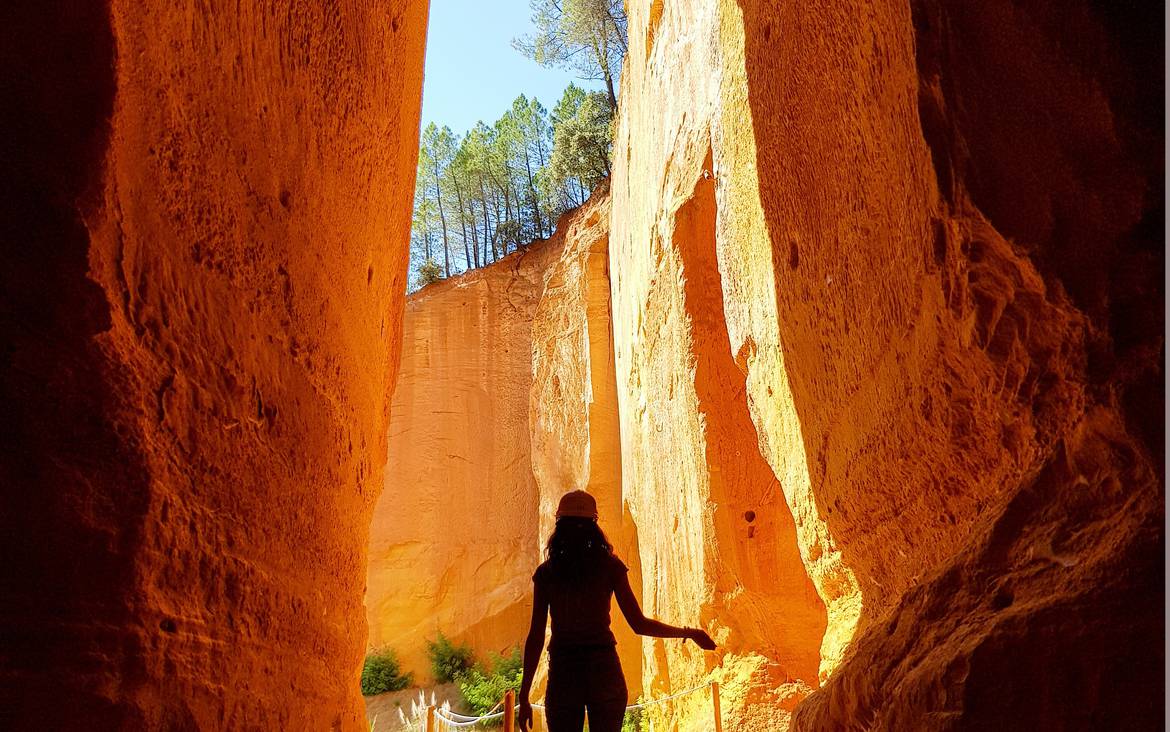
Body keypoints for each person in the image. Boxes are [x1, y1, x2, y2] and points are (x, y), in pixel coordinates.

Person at [517, 490, 717, 732]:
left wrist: (525, 694)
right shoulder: (609, 567)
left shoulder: (547, 573)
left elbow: (536, 636)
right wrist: (690, 633)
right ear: (594, 524)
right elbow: (639, 624)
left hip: (564, 674)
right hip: (604, 671)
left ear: (560, 524)